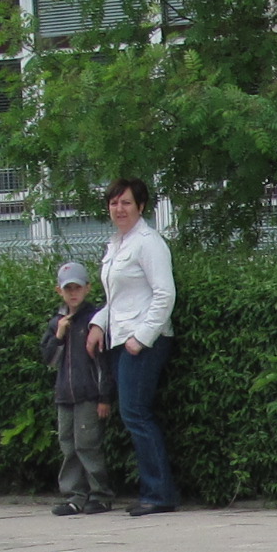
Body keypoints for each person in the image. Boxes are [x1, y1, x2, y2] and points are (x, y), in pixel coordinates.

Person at [92, 178, 177, 516]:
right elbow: (116, 299)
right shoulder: (116, 244)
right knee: (133, 415)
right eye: (114, 203)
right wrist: (98, 323)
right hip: (121, 339)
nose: (119, 209)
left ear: (140, 207)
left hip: (143, 342)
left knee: (136, 414)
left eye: (126, 202)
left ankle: (159, 494)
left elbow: (165, 294)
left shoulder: (149, 243)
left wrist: (141, 338)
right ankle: (152, 490)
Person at [42, 260, 112, 515]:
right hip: (64, 395)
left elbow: (104, 363)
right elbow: (49, 359)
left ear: (87, 288)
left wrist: (104, 397)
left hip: (89, 395)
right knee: (68, 446)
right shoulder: (56, 323)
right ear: (59, 291)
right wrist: (59, 335)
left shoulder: (94, 320)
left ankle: (100, 495)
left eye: (77, 288)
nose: (73, 293)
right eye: (68, 288)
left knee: (87, 444)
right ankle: (75, 496)